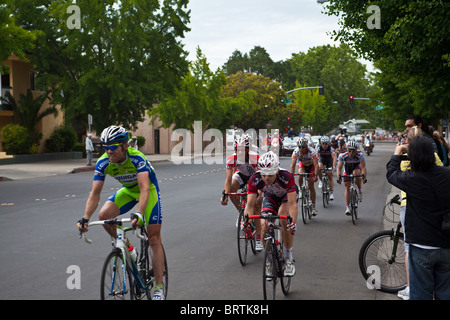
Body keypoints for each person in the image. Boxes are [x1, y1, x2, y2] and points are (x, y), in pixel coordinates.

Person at [77, 125, 165, 300]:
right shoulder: (103, 163)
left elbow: (144, 188)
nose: (108, 152)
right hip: (128, 192)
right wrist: (86, 217)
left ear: (124, 145)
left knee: (154, 238)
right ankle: (128, 248)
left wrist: (140, 213)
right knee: (104, 216)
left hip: (148, 192)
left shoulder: (137, 158)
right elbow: (95, 193)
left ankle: (159, 288)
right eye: (105, 147)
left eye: (112, 147)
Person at [386, 135, 450, 300]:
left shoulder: (412, 178)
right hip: (446, 243)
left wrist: (399, 151)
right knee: (445, 292)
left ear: (411, 156)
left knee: (421, 294)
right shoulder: (446, 174)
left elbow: (392, 172)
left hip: (421, 244)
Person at [245, 151, 298, 276]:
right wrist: (247, 221)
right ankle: (269, 259)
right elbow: (250, 204)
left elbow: (292, 204)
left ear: (277, 171)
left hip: (286, 197)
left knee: (284, 220)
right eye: (264, 175)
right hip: (270, 197)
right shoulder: (255, 178)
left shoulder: (286, 176)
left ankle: (289, 257)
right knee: (264, 225)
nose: (266, 178)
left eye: (270, 175)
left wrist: (293, 222)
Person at [221, 135, 263, 251]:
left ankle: (259, 237)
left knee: (257, 206)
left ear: (247, 150)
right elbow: (228, 179)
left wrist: (259, 193)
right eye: (237, 150)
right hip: (242, 175)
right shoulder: (231, 159)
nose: (239, 152)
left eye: (242, 150)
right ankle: (242, 212)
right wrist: (225, 194)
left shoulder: (255, 158)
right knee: (231, 190)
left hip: (255, 178)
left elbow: (260, 178)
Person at [336, 140, 367, 216]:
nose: (351, 153)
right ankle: (347, 207)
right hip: (347, 169)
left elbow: (363, 168)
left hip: (356, 167)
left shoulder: (360, 155)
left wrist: (364, 177)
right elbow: (339, 168)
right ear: (347, 149)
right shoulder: (342, 155)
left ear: (356, 150)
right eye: (350, 151)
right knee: (347, 186)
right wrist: (338, 177)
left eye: (353, 151)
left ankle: (359, 191)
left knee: (356, 174)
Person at [290, 137, 319, 216]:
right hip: (302, 165)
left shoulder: (312, 151)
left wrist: (315, 175)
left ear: (306, 146)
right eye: (299, 147)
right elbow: (292, 165)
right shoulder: (296, 151)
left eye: (303, 147)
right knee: (300, 174)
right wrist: (291, 176)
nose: (301, 149)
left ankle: (313, 207)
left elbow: (316, 165)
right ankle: (300, 189)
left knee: (311, 186)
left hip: (311, 166)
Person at [315, 135, 337, 200]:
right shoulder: (319, 148)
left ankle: (331, 192)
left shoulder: (330, 148)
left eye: (326, 143)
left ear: (328, 143)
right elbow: (316, 157)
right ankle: (321, 180)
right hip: (322, 159)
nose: (324, 145)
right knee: (319, 166)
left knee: (330, 175)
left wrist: (333, 166)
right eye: (323, 143)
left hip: (329, 160)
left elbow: (334, 157)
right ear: (321, 143)